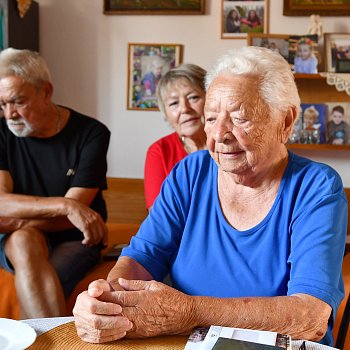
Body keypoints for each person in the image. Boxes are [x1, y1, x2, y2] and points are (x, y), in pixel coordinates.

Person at [73, 46, 346, 347]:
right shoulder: (189, 173)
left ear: (285, 122)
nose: (220, 135)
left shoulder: (316, 188)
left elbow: (311, 317)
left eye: (240, 119)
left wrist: (190, 312)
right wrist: (106, 302)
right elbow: (141, 258)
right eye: (212, 118)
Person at [0, 48, 110, 318]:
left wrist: (14, 218)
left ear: (46, 92)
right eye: (2, 104)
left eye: (17, 101)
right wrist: (64, 205)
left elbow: (77, 215)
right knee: (25, 241)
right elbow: (1, 201)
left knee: (36, 275)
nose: (9, 113)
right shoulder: (1, 132)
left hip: (72, 238)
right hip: (20, 236)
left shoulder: (91, 134)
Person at [144, 63, 207, 210]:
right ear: (166, 114)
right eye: (174, 103)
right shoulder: (159, 151)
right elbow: (159, 218)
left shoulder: (232, 146)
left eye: (193, 97)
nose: (185, 109)